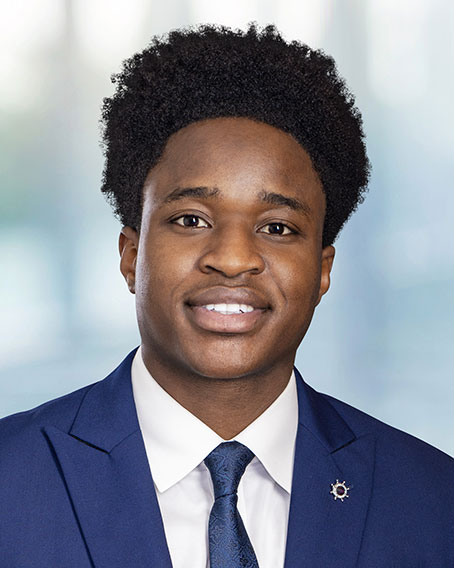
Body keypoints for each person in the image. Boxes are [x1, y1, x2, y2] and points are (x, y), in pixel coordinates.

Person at [0, 24, 452, 568]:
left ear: (322, 271)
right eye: (191, 219)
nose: (234, 258)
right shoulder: (11, 479)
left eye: (278, 228)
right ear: (130, 256)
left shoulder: (433, 500)